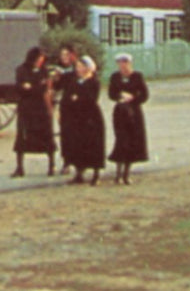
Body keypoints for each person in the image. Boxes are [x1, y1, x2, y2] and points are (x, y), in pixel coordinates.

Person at [58, 54, 105, 185]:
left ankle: (96, 174)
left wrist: (77, 99)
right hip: (76, 118)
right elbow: (67, 97)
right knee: (77, 145)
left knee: (93, 144)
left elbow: (90, 99)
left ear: (87, 68)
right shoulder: (74, 81)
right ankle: (79, 173)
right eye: (77, 66)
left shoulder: (93, 82)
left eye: (80, 66)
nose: (78, 69)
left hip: (90, 117)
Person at [11, 46, 56, 177]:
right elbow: (20, 87)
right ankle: (20, 167)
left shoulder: (44, 71)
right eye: (38, 59)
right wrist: (33, 87)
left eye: (42, 60)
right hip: (27, 108)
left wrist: (32, 87)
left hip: (41, 108)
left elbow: (43, 88)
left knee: (47, 136)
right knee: (22, 137)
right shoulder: (21, 70)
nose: (40, 62)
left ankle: (51, 165)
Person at [107, 52, 149, 185]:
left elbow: (145, 95)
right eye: (120, 63)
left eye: (125, 62)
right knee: (121, 140)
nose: (122, 66)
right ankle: (118, 174)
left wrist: (133, 98)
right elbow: (111, 93)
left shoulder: (137, 76)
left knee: (132, 141)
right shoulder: (115, 77)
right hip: (120, 111)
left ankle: (126, 174)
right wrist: (120, 96)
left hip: (134, 112)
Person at [52, 43, 79, 173]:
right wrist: (56, 79)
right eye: (62, 54)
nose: (64, 57)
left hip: (77, 104)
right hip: (65, 104)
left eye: (66, 54)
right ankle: (66, 161)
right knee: (65, 133)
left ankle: (79, 161)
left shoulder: (78, 68)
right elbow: (56, 88)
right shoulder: (59, 69)